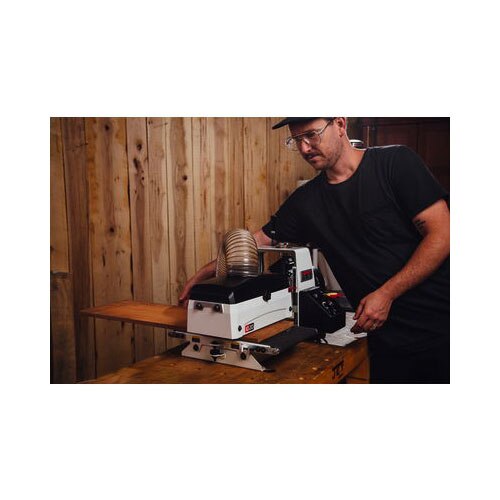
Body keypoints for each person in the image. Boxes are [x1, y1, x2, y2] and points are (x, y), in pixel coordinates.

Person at [179, 117, 450, 384]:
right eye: (296, 140)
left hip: (442, 327)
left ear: (340, 125)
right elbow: (255, 242)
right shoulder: (306, 202)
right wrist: (201, 276)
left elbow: (443, 235)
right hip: (385, 339)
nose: (304, 147)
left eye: (311, 134)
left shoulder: (395, 163)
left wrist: (386, 294)